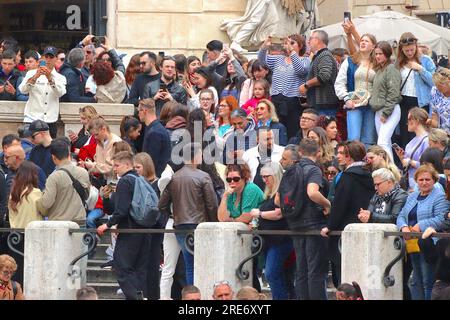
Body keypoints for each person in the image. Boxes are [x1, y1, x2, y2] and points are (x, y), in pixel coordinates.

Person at [159, 143, 218, 285]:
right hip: (199, 225)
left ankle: (192, 294)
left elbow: (162, 205)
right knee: (203, 263)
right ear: (196, 156)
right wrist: (214, 222)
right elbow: (211, 205)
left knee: (190, 264)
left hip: (180, 225)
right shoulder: (204, 177)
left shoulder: (174, 178)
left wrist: (173, 214)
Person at [97, 151, 150, 300]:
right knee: (138, 268)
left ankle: (135, 297)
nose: (114, 169)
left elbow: (121, 210)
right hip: (143, 228)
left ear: (127, 164)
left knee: (121, 266)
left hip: (129, 230)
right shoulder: (139, 178)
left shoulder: (125, 181)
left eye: (117, 165)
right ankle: (140, 295)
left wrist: (107, 225)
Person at [282, 139, 331, 300]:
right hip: (314, 224)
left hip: (294, 223)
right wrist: (328, 203)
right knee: (315, 271)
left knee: (301, 271)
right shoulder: (314, 170)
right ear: (318, 153)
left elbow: (277, 200)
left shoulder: (290, 169)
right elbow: (312, 192)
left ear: (300, 152)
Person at [321, 141, 375, 285]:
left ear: (349, 156)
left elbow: (340, 205)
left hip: (345, 233)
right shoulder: (369, 175)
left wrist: (330, 226)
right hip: (365, 229)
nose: (337, 156)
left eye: (340, 153)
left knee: (344, 278)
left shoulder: (347, 177)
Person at [397, 164, 449, 300]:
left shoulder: (440, 196)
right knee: (415, 280)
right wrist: (403, 227)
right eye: (421, 180)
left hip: (429, 243)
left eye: (427, 179)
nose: (424, 182)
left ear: (434, 180)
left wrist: (421, 225)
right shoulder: (412, 196)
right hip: (412, 242)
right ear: (416, 180)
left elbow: (441, 219)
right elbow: (401, 215)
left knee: (428, 280)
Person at [249, 162, 292, 300]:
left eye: (267, 176)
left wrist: (260, 214)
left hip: (281, 239)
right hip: (271, 240)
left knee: (272, 273)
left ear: (275, 175)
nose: (264, 180)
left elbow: (279, 213)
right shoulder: (270, 192)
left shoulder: (281, 191)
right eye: (262, 177)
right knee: (278, 274)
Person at [258, 35, 310, 139]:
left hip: (293, 101)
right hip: (276, 100)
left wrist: (292, 53)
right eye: (287, 43)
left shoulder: (305, 60)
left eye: (292, 43)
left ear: (300, 46)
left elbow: (301, 71)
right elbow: (262, 61)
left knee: (292, 130)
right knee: (276, 130)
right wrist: (264, 47)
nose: (288, 46)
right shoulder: (279, 59)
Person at [37, 139, 90, 224]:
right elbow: (86, 196)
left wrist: (38, 200)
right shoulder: (83, 172)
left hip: (59, 222)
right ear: (69, 154)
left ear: (53, 157)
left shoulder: (53, 177)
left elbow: (46, 203)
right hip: (79, 221)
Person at [396, 32, 436, 148]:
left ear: (416, 46)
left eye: (412, 50)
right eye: (406, 50)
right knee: (405, 131)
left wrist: (420, 69)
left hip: (420, 101)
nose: (409, 53)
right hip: (403, 101)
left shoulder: (426, 60)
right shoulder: (398, 62)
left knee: (419, 132)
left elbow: (434, 82)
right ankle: (406, 161)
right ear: (401, 49)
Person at [19, 46, 67, 138]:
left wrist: (50, 78)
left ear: (56, 59)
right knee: (29, 149)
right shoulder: (31, 73)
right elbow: (22, 90)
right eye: (46, 57)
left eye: (51, 57)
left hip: (50, 120)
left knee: (49, 150)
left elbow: (60, 93)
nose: (48, 60)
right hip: (32, 119)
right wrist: (35, 77)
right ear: (42, 58)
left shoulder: (61, 77)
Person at [369, 41, 402, 160]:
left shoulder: (391, 69)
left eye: (381, 54)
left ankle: (389, 171)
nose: (377, 56)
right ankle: (391, 171)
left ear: (387, 54)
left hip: (390, 110)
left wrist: (386, 112)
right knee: (385, 142)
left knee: (382, 142)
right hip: (379, 110)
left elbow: (393, 93)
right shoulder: (380, 70)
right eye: (376, 53)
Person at [300, 30, 340, 117]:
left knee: (323, 130)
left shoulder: (325, 55)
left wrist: (306, 85)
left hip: (325, 106)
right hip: (320, 105)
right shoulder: (320, 55)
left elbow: (324, 76)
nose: (308, 41)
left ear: (317, 40)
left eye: (310, 39)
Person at [394, 107, 429, 191]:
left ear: (416, 120)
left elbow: (427, 165)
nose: (407, 123)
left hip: (421, 183)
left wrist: (409, 162)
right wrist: (402, 157)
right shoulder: (410, 142)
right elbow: (406, 165)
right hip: (410, 183)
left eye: (409, 119)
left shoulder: (427, 140)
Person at [80, 117, 122, 185]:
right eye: (93, 135)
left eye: (96, 134)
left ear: (104, 129)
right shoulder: (100, 143)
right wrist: (87, 164)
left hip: (115, 182)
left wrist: (92, 166)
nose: (95, 137)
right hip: (105, 181)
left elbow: (111, 167)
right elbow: (98, 162)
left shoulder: (116, 143)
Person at [138, 98, 171, 178]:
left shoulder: (154, 132)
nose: (138, 114)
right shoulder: (154, 128)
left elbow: (151, 161)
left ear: (145, 111)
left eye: (139, 111)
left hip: (155, 179)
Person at [8, 160, 45, 228]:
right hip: (32, 232)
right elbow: (44, 211)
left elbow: (11, 216)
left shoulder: (13, 193)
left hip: (17, 233)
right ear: (34, 175)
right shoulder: (36, 192)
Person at [419, 225, 450, 300]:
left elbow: (431, 258)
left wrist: (424, 239)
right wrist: (425, 239)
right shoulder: (443, 243)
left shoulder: (443, 242)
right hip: (442, 287)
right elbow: (431, 257)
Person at [429, 67, 450, 133]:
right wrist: (431, 123)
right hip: (442, 133)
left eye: (441, 84)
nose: (438, 87)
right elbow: (435, 113)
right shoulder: (434, 91)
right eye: (436, 84)